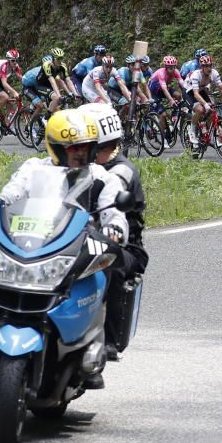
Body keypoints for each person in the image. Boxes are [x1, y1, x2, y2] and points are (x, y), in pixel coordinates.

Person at [0, 108, 128, 389]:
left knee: (103, 271)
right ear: (56, 149)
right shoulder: (33, 169)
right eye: (72, 148)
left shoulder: (103, 177)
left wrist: (115, 226)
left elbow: (113, 210)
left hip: (77, 249)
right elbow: (9, 194)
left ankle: (93, 348)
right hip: (32, 243)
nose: (80, 154)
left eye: (86, 148)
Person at [78, 103, 147, 362]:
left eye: (88, 146)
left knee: (110, 261)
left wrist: (111, 232)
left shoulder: (120, 172)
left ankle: (108, 339)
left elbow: (111, 215)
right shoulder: (74, 166)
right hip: (79, 237)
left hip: (125, 245)